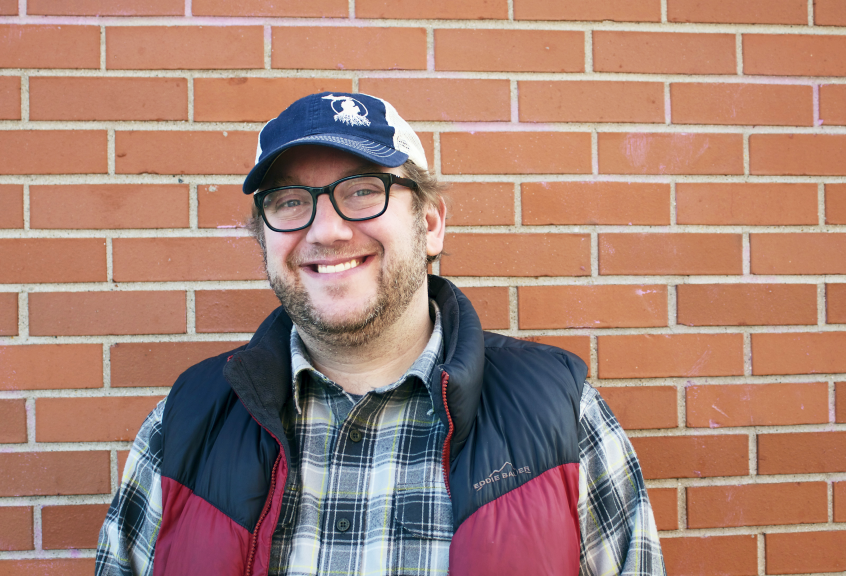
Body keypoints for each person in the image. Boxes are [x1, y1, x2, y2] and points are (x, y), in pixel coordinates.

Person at [95, 92, 666, 576]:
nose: (327, 230)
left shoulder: (563, 416)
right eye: (290, 201)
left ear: (430, 223)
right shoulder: (184, 424)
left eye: (364, 190)